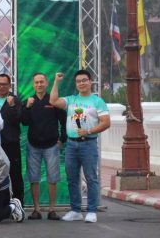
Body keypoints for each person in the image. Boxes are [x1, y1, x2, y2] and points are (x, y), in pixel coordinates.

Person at [49, 70, 111, 223]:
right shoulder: (71, 100)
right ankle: (75, 210)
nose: (81, 83)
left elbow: (106, 122)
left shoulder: (97, 101)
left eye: (84, 80)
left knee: (91, 178)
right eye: (78, 81)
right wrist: (56, 81)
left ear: (90, 81)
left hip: (88, 144)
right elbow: (53, 101)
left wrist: (89, 131)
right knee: (72, 179)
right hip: (71, 144)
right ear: (76, 84)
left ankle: (91, 210)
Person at [21, 72, 67, 220]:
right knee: (34, 178)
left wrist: (62, 139)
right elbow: (24, 122)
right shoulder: (29, 101)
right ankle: (37, 209)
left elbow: (64, 121)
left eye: (42, 82)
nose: (39, 84)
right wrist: (27, 107)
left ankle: (52, 210)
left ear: (47, 83)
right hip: (33, 146)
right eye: (36, 82)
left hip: (51, 146)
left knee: (52, 178)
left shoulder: (53, 100)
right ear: (33, 85)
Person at [0, 74, 24, 202]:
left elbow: (19, 119)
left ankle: (18, 203)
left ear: (10, 85)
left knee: (15, 174)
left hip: (11, 143)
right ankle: (0, 204)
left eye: (4, 84)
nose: (2, 87)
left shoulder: (15, 100)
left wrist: (12, 106)